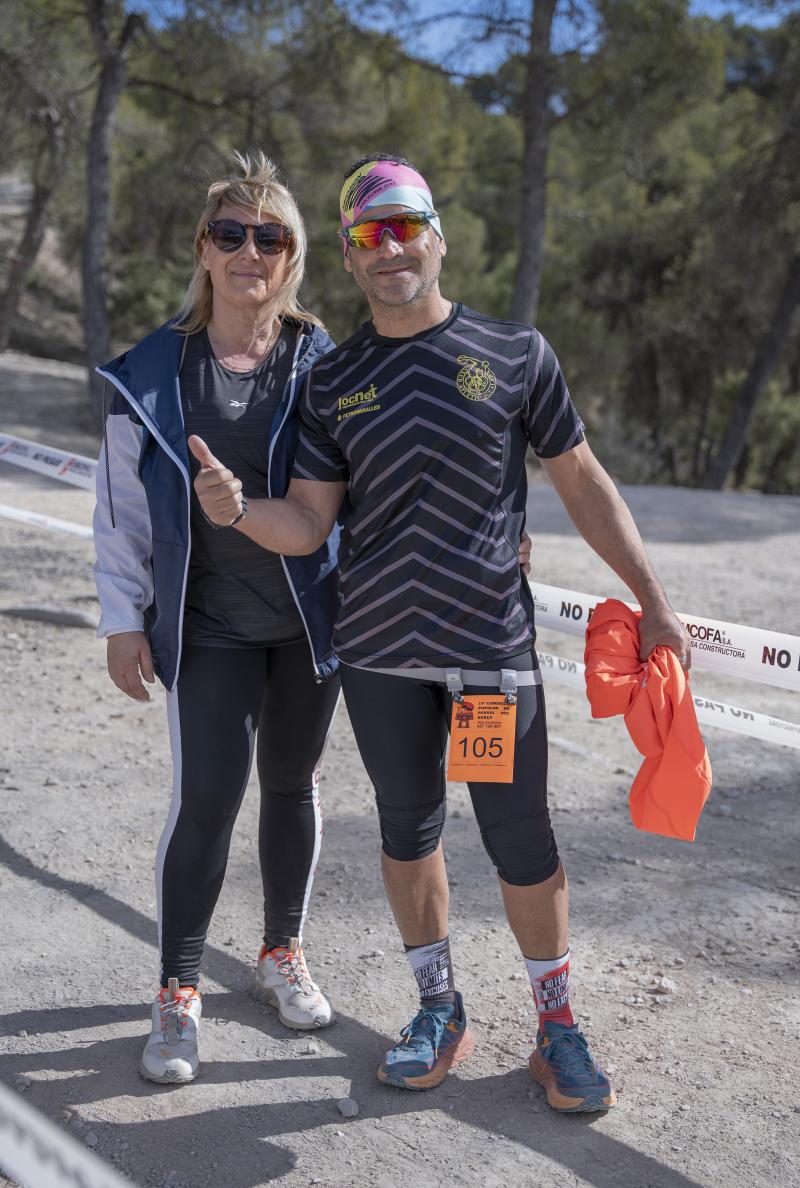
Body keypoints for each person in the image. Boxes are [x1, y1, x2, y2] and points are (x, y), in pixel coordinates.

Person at [191, 154, 670, 1114]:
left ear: (437, 240)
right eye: (369, 236)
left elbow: (581, 479)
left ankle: (558, 1030)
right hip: (379, 659)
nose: (390, 249)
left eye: (405, 227)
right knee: (408, 834)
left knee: (519, 839)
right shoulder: (334, 380)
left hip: (488, 658)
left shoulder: (515, 353)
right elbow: (311, 522)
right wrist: (239, 511)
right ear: (349, 257)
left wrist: (651, 598)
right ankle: (438, 1011)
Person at [92, 153, 343, 1084]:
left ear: (291, 258)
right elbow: (119, 508)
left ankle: (282, 952)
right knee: (205, 798)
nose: (249, 251)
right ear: (203, 249)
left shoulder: (325, 363)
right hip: (209, 627)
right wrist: (123, 617)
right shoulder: (154, 370)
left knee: (293, 786)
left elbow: (382, 477)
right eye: (230, 233)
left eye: (270, 237)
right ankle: (178, 991)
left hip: (309, 623)